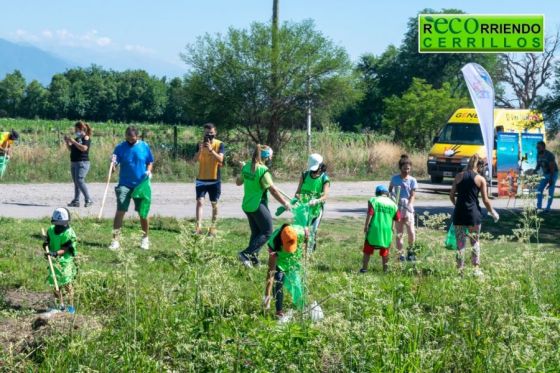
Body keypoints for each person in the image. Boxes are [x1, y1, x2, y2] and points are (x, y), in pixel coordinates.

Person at [236, 144, 291, 268]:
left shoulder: (247, 167)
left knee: (256, 233)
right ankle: (245, 254)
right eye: (271, 156)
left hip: (247, 205)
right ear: (267, 157)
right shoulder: (263, 170)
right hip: (257, 205)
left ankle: (253, 259)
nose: (271, 158)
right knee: (267, 232)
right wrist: (285, 203)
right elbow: (273, 191)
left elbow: (238, 182)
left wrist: (243, 169)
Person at [449, 154, 499, 276]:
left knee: (460, 243)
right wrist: (493, 212)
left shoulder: (459, 176)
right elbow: (485, 200)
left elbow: (451, 195)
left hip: (459, 214)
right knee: (474, 241)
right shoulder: (480, 179)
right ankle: (476, 269)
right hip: (473, 214)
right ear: (480, 166)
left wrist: (457, 205)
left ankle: (460, 271)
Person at [109, 126, 154, 250]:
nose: (130, 141)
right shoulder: (120, 147)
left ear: (137, 136)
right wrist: (112, 166)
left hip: (141, 185)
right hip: (124, 184)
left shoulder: (144, 146)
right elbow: (114, 164)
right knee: (120, 211)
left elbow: (150, 161)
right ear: (125, 136)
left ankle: (145, 239)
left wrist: (149, 171)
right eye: (128, 138)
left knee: (143, 213)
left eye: (133, 139)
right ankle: (115, 240)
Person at [264, 224, 308, 322]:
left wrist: (305, 256)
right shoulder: (273, 243)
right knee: (278, 282)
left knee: (297, 285)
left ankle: (303, 309)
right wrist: (266, 298)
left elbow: (306, 233)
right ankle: (279, 311)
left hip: (293, 261)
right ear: (281, 241)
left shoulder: (300, 232)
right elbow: (270, 273)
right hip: (280, 263)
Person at [43, 207, 77, 313]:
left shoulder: (69, 233)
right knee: (55, 283)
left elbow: (65, 249)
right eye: (57, 223)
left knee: (67, 283)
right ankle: (60, 305)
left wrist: (55, 253)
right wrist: (46, 246)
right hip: (54, 261)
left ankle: (71, 306)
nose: (59, 226)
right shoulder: (50, 230)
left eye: (61, 224)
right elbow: (48, 243)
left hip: (65, 261)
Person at [193, 123, 225, 236]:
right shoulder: (199, 144)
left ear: (215, 132)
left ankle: (213, 228)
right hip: (201, 178)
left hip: (214, 179)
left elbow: (221, 159)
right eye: (207, 133)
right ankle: (198, 228)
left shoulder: (220, 144)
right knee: (199, 202)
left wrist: (211, 150)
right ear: (204, 133)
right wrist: (200, 150)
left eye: (211, 133)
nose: (209, 135)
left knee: (214, 203)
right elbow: (194, 160)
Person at [294, 153, 330, 252]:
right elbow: (298, 192)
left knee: (312, 232)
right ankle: (298, 252)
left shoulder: (324, 178)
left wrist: (317, 200)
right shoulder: (304, 175)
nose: (313, 171)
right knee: (300, 231)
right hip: (302, 209)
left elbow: (325, 196)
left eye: (315, 169)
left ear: (320, 166)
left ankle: (309, 254)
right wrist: (296, 199)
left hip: (316, 209)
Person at [360, 185, 400, 273]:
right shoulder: (393, 204)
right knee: (385, 250)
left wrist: (366, 226)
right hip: (387, 229)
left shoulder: (374, 200)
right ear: (387, 193)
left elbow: (370, 214)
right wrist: (392, 227)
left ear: (377, 193)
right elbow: (397, 218)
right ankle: (385, 270)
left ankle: (364, 269)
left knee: (368, 249)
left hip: (374, 228)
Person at [389, 155, 418, 262]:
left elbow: (412, 195)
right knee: (399, 233)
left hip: (408, 208)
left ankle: (411, 252)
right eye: (405, 169)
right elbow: (390, 191)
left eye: (408, 169)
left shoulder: (412, 180)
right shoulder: (395, 179)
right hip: (397, 208)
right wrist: (392, 200)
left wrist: (410, 205)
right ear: (400, 168)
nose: (406, 171)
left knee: (411, 231)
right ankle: (400, 254)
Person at [64, 121, 93, 207]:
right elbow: (71, 149)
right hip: (74, 162)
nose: (75, 131)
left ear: (81, 129)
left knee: (80, 180)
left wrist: (73, 142)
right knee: (76, 182)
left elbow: (84, 148)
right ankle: (76, 201)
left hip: (82, 163)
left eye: (77, 129)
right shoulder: (77, 139)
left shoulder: (86, 138)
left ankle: (88, 199)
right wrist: (67, 142)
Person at [535, 141, 558, 212]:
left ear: (543, 147)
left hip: (553, 173)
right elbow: (538, 165)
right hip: (545, 174)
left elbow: (552, 168)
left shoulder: (549, 155)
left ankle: (548, 208)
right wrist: (534, 171)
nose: (537, 148)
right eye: (537, 147)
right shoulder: (538, 154)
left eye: (539, 147)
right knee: (539, 189)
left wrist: (551, 179)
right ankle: (539, 207)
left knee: (551, 191)